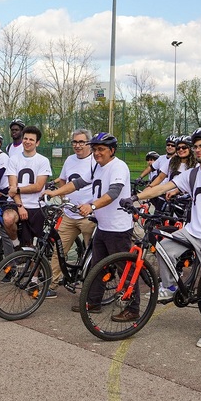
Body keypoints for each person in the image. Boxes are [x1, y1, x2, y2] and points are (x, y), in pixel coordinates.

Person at [132, 127, 201, 348]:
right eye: (195, 146)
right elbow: (162, 187)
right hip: (191, 231)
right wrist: (135, 197)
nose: (197, 150)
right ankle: (170, 287)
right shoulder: (192, 174)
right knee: (164, 248)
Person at [45, 132, 134, 310]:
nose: (97, 153)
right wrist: (54, 193)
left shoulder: (118, 167)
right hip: (102, 225)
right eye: (94, 149)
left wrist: (92, 206)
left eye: (101, 149)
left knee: (124, 268)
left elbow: (114, 193)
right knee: (97, 266)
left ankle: (132, 308)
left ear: (112, 150)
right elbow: (78, 182)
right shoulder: (97, 167)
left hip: (118, 227)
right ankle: (93, 303)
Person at [47, 129, 96, 296]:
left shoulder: (95, 161)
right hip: (69, 214)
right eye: (75, 142)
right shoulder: (69, 160)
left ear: (88, 143)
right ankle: (53, 284)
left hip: (88, 216)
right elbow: (63, 180)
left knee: (93, 254)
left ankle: (92, 289)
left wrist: (91, 205)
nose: (78, 145)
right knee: (58, 250)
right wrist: (63, 197)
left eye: (81, 142)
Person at [3, 125, 52, 248]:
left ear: (37, 143)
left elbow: (38, 186)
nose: (27, 142)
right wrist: (20, 206)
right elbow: (12, 185)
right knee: (8, 219)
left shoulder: (43, 161)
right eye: (25, 139)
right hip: (17, 203)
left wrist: (18, 189)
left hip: (35, 205)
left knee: (31, 247)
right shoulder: (13, 159)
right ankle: (16, 244)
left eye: (31, 139)